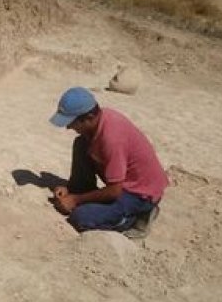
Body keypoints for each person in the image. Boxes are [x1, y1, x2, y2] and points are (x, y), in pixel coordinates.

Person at [48, 87, 168, 234]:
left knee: (81, 217)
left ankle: (134, 219)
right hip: (123, 183)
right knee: (81, 144)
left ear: (90, 117)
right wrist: (71, 191)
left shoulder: (112, 139)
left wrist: (75, 200)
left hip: (139, 194)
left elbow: (114, 191)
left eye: (72, 122)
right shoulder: (101, 120)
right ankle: (80, 192)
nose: (68, 127)